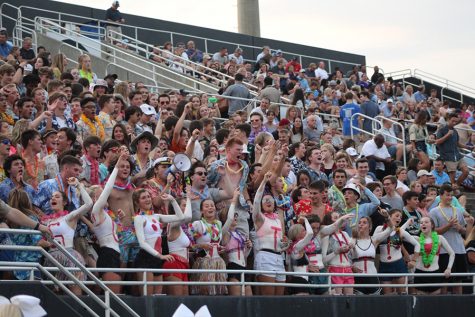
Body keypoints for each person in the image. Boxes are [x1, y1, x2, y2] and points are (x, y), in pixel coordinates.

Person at [41, 177, 93, 295]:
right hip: (51, 258)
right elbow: (40, 240)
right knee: (54, 295)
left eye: (57, 196)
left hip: (69, 256)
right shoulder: (45, 222)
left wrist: (78, 186)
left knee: (75, 293)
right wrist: (42, 243)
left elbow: (89, 203)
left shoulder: (69, 217)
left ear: (64, 202)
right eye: (51, 197)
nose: (53, 198)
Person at [132, 188, 184, 295]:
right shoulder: (138, 218)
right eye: (143, 198)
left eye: (148, 196)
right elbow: (142, 243)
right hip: (145, 258)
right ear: (137, 203)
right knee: (148, 298)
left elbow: (180, 217)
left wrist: (173, 200)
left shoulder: (157, 216)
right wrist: (160, 256)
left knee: (158, 297)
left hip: (157, 259)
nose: (147, 200)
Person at [429, 184, 474, 294]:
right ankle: (443, 306)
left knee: (458, 281)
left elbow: (464, 231)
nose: (450, 198)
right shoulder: (434, 211)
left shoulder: (458, 211)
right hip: (444, 251)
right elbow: (433, 232)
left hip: (459, 249)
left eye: (452, 196)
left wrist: (460, 228)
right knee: (444, 281)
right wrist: (448, 226)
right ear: (441, 196)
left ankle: (459, 306)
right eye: (447, 195)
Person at [252, 172, 288, 296]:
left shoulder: (278, 219)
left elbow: (281, 243)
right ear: (262, 204)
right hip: (265, 256)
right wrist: (263, 182)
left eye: (271, 200)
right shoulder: (259, 218)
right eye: (265, 200)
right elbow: (256, 201)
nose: (268, 202)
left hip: (279, 257)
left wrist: (285, 244)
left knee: (279, 297)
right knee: (268, 296)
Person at [374, 209, 419, 295]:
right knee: (387, 296)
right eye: (397, 216)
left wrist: (414, 260)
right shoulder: (379, 229)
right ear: (389, 216)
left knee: (402, 294)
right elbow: (374, 242)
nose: (399, 218)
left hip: (398, 265)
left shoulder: (400, 231)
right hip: (384, 266)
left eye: (401, 217)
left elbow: (417, 244)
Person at [351, 215, 393, 294]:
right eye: (359, 223)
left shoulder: (374, 239)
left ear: (370, 227)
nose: (361, 224)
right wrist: (351, 267)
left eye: (364, 222)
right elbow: (346, 257)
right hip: (358, 277)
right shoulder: (352, 240)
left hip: (372, 276)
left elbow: (391, 228)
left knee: (374, 303)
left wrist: (387, 216)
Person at [222, 189, 252, 296]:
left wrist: (248, 247)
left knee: (249, 302)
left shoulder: (239, 234)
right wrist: (234, 199)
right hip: (233, 267)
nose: (235, 217)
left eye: (236, 216)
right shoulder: (225, 233)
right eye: (233, 215)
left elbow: (244, 255)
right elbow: (229, 218)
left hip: (244, 267)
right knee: (237, 303)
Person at [414, 217, 454, 294]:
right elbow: (400, 233)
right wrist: (408, 223)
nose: (423, 224)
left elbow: (452, 253)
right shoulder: (417, 239)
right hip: (420, 273)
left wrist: (449, 268)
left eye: (426, 222)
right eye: (421, 222)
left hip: (435, 273)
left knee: (434, 303)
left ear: (432, 225)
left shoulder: (439, 238)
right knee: (421, 303)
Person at [435, 112, 471, 188]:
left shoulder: (455, 131)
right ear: (448, 119)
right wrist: (447, 135)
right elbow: (437, 142)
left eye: (456, 121)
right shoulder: (441, 130)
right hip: (447, 156)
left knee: (466, 171)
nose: (454, 123)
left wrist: (467, 147)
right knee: (452, 177)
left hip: (457, 155)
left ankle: (456, 185)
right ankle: (453, 188)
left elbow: (458, 144)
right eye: (453, 121)